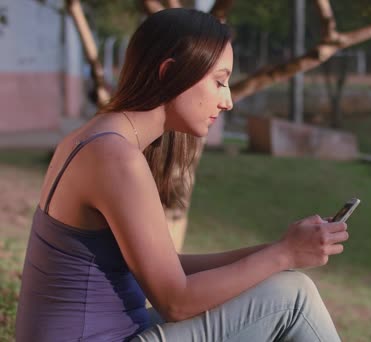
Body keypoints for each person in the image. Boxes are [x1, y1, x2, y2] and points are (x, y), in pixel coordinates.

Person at [15, 8, 349, 342]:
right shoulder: (116, 158)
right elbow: (176, 300)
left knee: (277, 284)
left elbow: (168, 268)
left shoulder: (97, 138)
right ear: (169, 73)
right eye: (219, 81)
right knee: (294, 298)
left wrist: (279, 250)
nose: (228, 100)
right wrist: (285, 255)